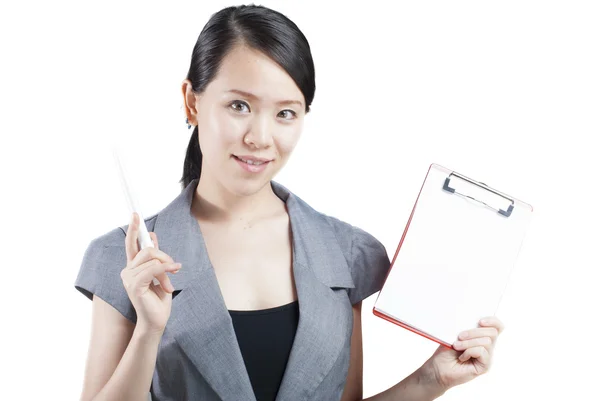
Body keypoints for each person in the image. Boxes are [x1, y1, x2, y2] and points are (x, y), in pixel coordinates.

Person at [74, 4, 504, 401]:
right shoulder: (125, 258)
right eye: (239, 105)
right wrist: (149, 330)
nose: (261, 138)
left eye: (285, 113)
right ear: (192, 101)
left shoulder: (345, 252)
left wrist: (432, 379)